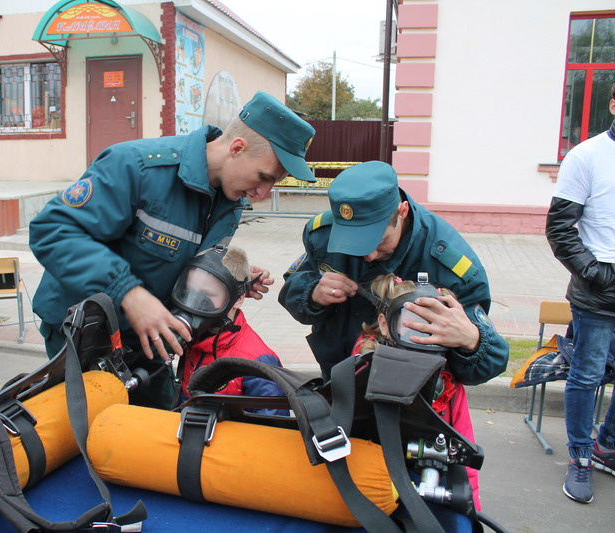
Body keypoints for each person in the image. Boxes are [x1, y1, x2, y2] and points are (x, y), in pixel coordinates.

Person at [30, 91, 316, 408]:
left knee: (154, 437)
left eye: (273, 183)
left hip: (148, 340)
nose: (263, 193)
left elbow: (181, 259)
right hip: (84, 336)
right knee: (90, 441)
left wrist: (231, 278)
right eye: (264, 177)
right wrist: (129, 293)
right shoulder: (138, 167)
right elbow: (53, 230)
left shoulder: (230, 202)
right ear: (237, 148)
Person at [278, 160, 509, 385]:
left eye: (379, 241)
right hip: (340, 382)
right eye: (353, 244)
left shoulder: (448, 264)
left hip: (415, 400)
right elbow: (292, 287)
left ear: (402, 211)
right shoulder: (323, 234)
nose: (368, 256)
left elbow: (491, 362)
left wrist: (471, 340)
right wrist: (313, 294)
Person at [353, 273, 481, 510]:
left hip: (430, 480)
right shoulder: (363, 368)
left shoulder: (449, 382)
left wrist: (470, 505)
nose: (422, 333)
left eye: (433, 324)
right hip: (368, 477)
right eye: (412, 322)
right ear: (385, 324)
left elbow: (465, 452)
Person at [546, 83, 615, 504]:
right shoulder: (587, 156)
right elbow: (559, 229)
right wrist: (596, 274)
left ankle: (607, 447)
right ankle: (581, 458)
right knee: (586, 376)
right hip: (599, 292)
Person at [174, 245, 288, 416]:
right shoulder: (195, 341)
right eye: (191, 292)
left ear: (238, 298)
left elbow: (272, 429)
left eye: (207, 296)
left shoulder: (257, 363)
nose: (194, 304)